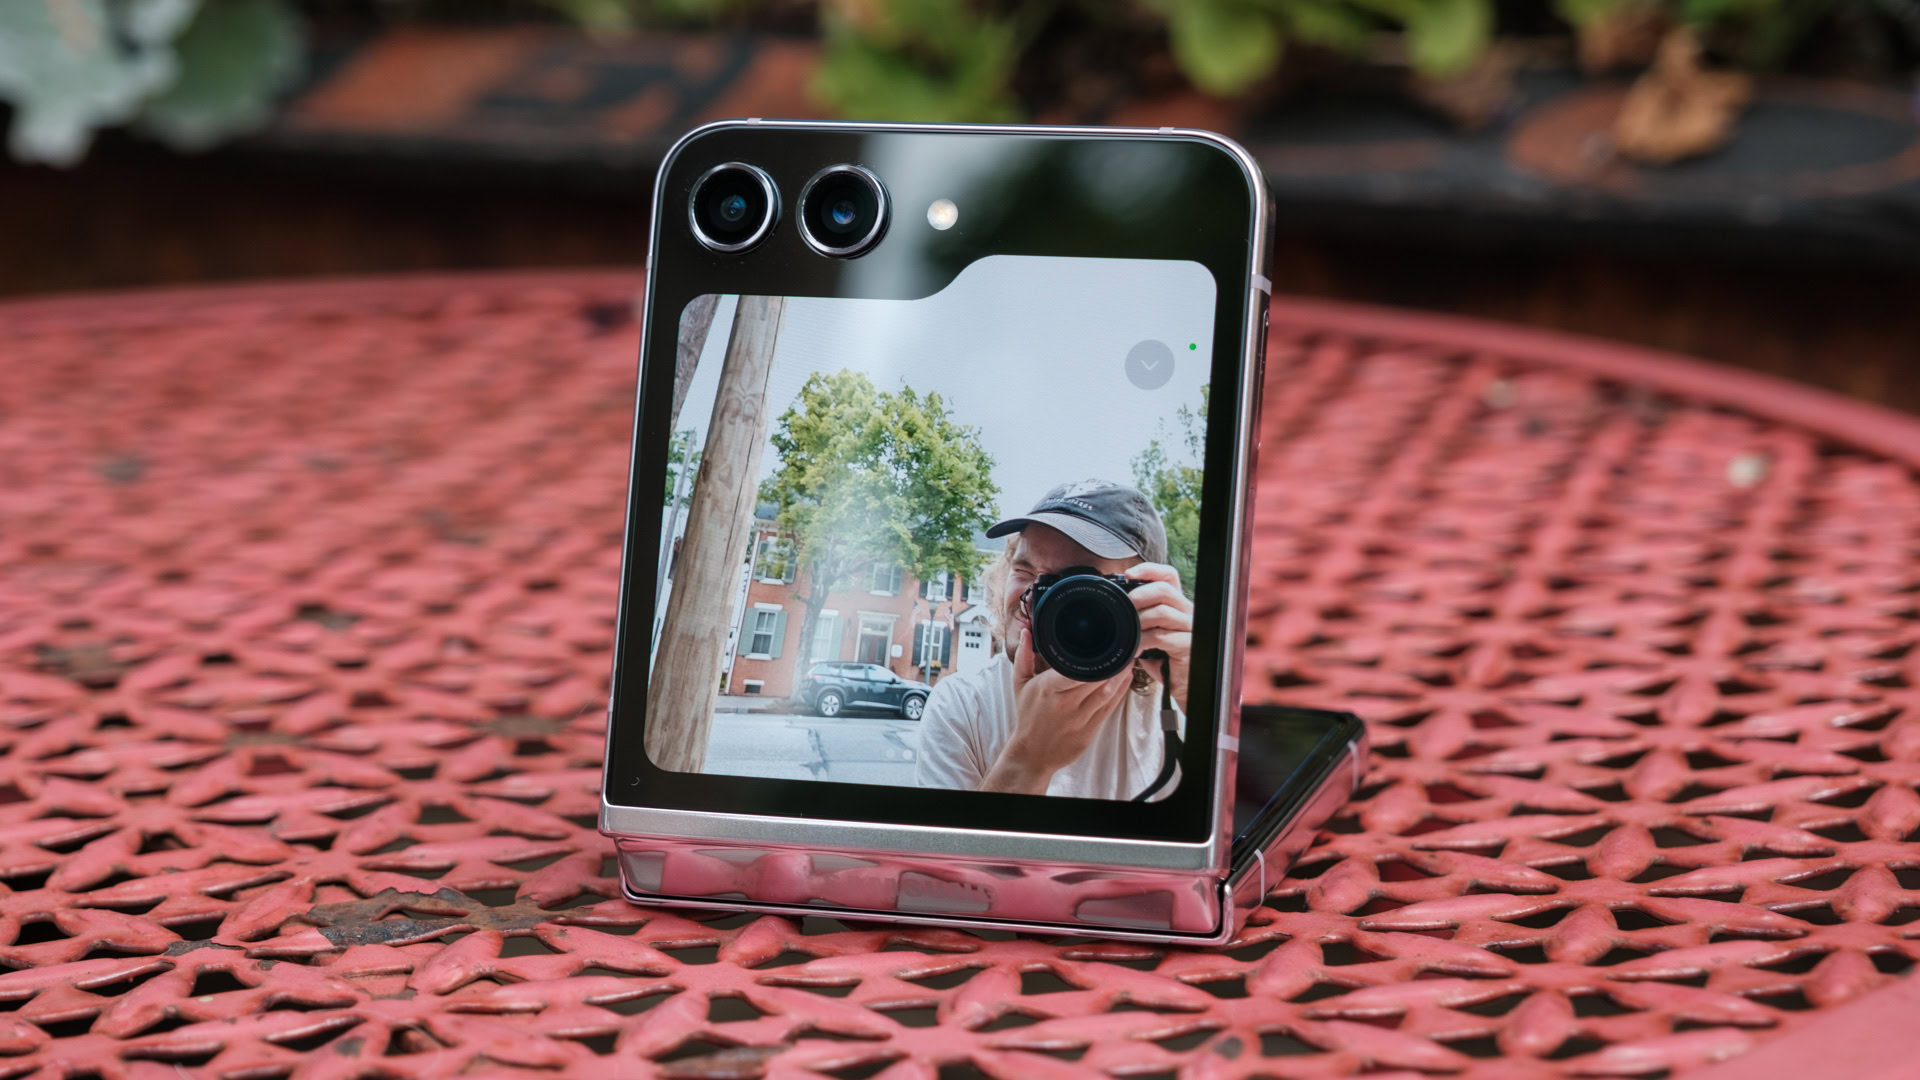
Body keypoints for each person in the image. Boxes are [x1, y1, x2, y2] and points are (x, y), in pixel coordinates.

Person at [915, 480, 1192, 800]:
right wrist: (1028, 758)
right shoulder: (962, 705)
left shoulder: (1175, 700)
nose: (1032, 598)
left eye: (1069, 584)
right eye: (1024, 570)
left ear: (1142, 597)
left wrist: (1203, 699)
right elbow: (952, 836)